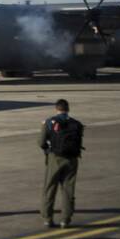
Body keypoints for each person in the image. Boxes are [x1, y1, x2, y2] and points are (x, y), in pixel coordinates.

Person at [39, 98, 83, 228]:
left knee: (50, 188)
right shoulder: (76, 124)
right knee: (68, 190)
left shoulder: (49, 122)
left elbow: (41, 142)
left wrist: (47, 150)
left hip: (55, 158)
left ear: (56, 109)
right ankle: (65, 219)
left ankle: (47, 218)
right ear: (68, 109)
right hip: (72, 159)